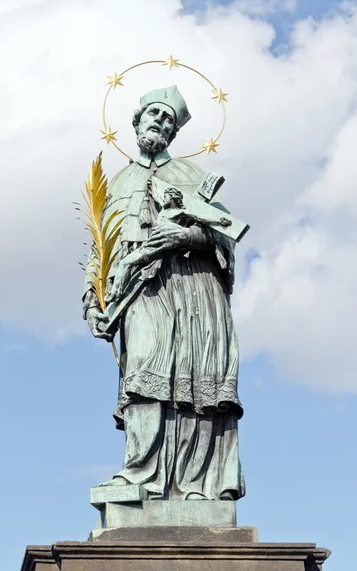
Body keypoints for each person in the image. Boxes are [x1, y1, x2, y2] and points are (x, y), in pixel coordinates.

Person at [83, 85, 245, 501]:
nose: (159, 121)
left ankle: (196, 485)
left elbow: (225, 237)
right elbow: (100, 247)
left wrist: (183, 235)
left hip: (193, 289)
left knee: (195, 381)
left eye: (168, 119)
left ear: (174, 132)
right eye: (152, 113)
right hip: (141, 291)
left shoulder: (193, 178)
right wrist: (92, 302)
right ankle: (140, 475)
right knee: (144, 372)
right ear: (136, 122)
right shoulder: (118, 182)